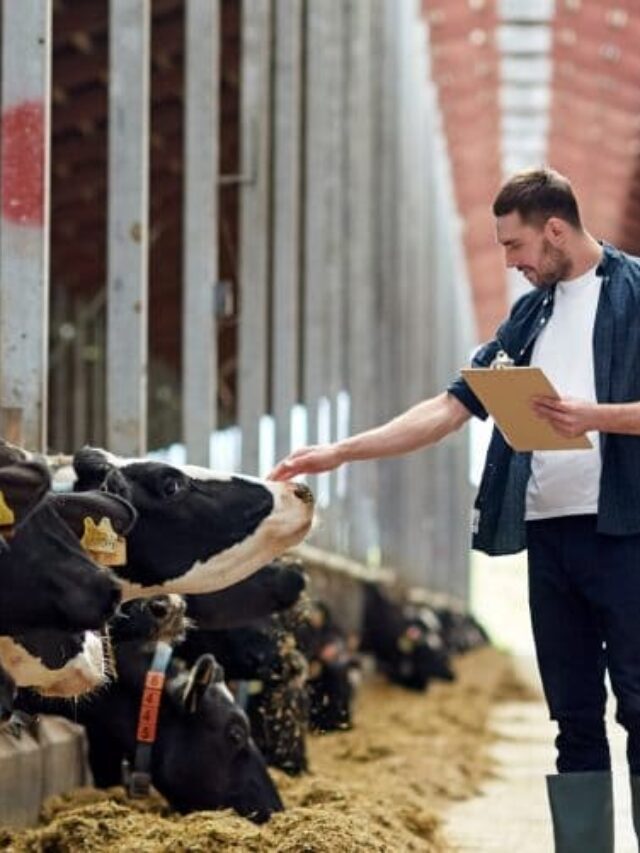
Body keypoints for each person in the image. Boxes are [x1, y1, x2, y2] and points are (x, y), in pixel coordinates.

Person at [269, 167, 640, 853]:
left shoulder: (635, 293)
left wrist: (596, 416)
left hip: (627, 534)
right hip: (549, 540)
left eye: (515, 245)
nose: (511, 262)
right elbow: (447, 409)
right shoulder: (529, 318)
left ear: (555, 229)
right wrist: (341, 451)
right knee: (574, 720)